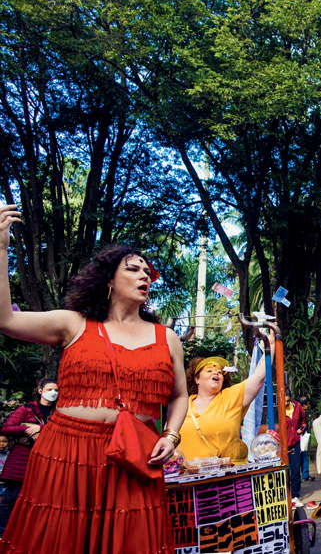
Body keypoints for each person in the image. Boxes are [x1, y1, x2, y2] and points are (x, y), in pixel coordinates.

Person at [0, 207, 187, 553]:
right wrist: (1, 248)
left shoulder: (167, 338)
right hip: (67, 451)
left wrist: (171, 435)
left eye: (148, 272)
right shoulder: (73, 323)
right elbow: (6, 320)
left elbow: (179, 396)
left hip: (133, 457)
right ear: (108, 280)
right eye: (133, 269)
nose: (144, 275)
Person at [178, 340, 270, 465]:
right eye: (209, 370)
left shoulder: (231, 397)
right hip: (188, 474)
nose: (216, 372)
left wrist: (270, 345)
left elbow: (258, 377)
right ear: (196, 379)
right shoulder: (181, 405)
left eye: (220, 372)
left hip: (227, 473)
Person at [0, 379, 58, 535]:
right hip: (22, 458)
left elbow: (62, 429)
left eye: (56, 390)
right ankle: (3, 532)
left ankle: (25, 533)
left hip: (46, 458)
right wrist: (27, 429)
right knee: (11, 497)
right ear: (40, 390)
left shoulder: (58, 412)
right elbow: (7, 428)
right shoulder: (26, 409)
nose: (53, 393)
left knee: (39, 499)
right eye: (50, 389)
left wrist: (40, 427)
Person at [284, 389, 305, 507]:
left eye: (288, 401)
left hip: (295, 443)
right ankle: (285, 495)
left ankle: (295, 496)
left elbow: (303, 421)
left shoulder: (297, 406)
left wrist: (301, 429)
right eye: (284, 401)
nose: (286, 403)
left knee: (296, 471)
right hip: (283, 444)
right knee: (284, 472)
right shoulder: (277, 409)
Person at [298, 396, 313, 481]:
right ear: (304, 405)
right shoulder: (302, 413)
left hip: (297, 437)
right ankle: (305, 475)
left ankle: (302, 474)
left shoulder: (295, 411)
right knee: (304, 456)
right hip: (302, 436)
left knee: (299, 457)